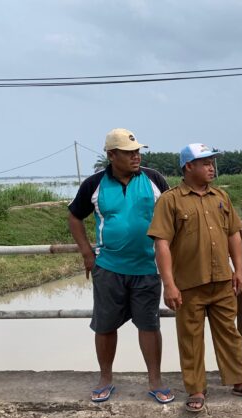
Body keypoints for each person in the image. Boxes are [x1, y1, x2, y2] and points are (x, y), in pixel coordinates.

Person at [147, 143, 242, 413]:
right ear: (188, 166)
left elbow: (233, 234)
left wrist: (239, 270)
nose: (211, 167)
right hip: (188, 285)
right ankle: (196, 389)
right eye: (205, 163)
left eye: (212, 162)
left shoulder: (220, 196)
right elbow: (162, 243)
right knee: (190, 338)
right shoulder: (170, 200)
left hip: (222, 281)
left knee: (230, 333)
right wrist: (169, 284)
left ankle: (239, 381)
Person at [67, 128, 173, 404]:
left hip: (147, 268)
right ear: (112, 155)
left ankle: (155, 381)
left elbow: (174, 213)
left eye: (137, 152)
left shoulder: (153, 179)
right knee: (104, 326)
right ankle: (105, 378)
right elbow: (74, 216)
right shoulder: (94, 184)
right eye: (129, 153)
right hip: (109, 268)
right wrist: (86, 252)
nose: (136, 157)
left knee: (149, 325)